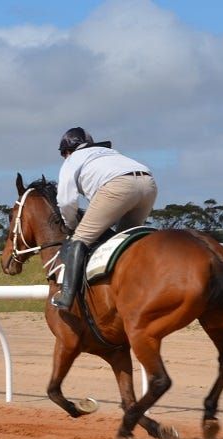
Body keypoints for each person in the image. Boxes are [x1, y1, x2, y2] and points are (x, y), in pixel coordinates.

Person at [51, 127, 158, 311]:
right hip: (148, 183)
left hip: (118, 185)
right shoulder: (108, 152)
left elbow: (66, 201)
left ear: (67, 151)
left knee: (80, 239)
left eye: (63, 155)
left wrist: (72, 226)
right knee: (125, 243)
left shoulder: (72, 159)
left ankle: (66, 297)